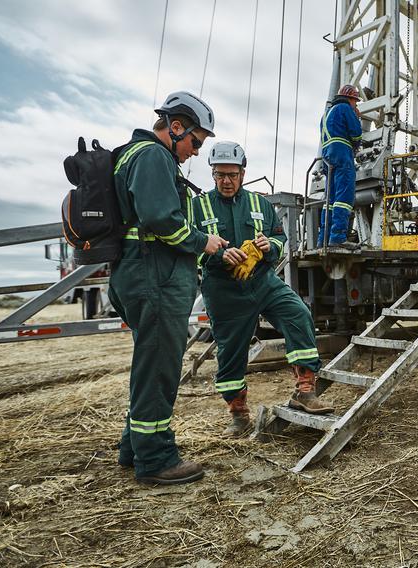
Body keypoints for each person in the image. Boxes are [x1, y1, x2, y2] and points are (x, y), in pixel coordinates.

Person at [109, 91, 227, 485]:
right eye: (195, 141)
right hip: (154, 275)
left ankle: (134, 447)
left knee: (150, 363)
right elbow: (161, 219)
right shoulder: (153, 156)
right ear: (175, 127)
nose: (195, 152)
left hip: (141, 273)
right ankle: (157, 458)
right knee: (159, 366)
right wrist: (202, 242)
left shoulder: (134, 154)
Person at [194, 141, 335, 437]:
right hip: (223, 289)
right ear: (213, 174)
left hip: (262, 281)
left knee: (297, 313)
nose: (227, 181)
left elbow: (280, 238)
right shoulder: (198, 206)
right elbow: (187, 246)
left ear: (243, 173)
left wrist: (271, 246)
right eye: (220, 175)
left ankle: (305, 390)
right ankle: (238, 414)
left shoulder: (261, 204)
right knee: (230, 352)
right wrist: (217, 254)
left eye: (232, 174)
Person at [318, 84, 363, 248]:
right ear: (350, 98)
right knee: (344, 197)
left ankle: (323, 238)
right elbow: (356, 133)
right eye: (355, 101)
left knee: (330, 199)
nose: (356, 105)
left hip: (327, 156)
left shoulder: (326, 114)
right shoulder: (345, 108)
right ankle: (337, 238)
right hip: (342, 153)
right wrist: (357, 117)